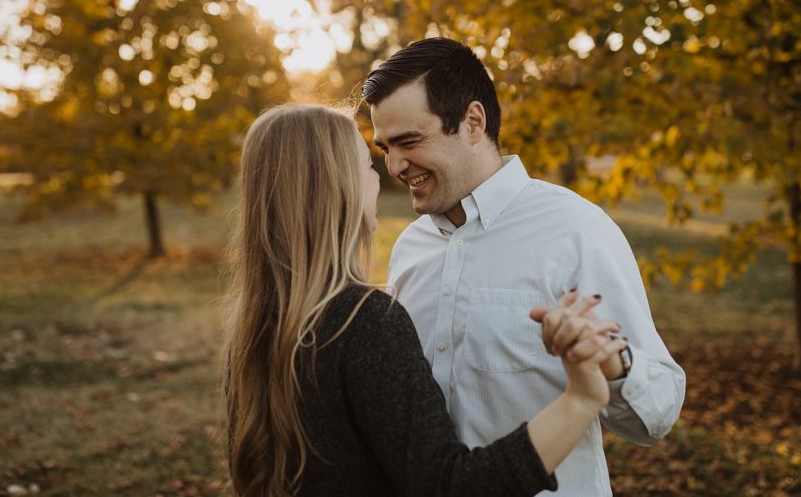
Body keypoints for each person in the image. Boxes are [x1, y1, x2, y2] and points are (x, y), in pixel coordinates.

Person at [222, 104, 630, 496]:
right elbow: (450, 487)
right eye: (368, 164)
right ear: (334, 186)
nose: (383, 176)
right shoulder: (363, 322)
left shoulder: (254, 330)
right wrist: (580, 399)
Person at [364, 38, 687, 496]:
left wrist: (612, 363)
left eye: (409, 141)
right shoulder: (410, 247)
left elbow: (657, 416)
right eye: (384, 148)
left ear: (473, 122)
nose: (395, 165)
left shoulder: (576, 230)